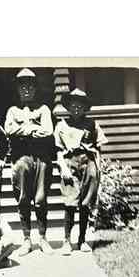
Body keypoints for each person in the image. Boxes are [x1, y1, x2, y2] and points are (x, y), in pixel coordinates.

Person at [4, 68, 55, 256]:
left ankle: (43, 238)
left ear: (35, 89)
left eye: (30, 86)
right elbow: (9, 130)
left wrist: (23, 130)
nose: (26, 90)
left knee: (40, 200)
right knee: (23, 199)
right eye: (22, 87)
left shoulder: (43, 109)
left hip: (41, 159)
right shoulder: (12, 111)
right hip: (21, 159)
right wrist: (33, 128)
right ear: (18, 90)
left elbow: (48, 131)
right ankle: (27, 240)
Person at [54, 88, 108, 253]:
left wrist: (98, 169)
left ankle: (82, 240)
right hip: (70, 164)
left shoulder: (92, 124)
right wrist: (63, 167)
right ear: (68, 107)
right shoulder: (61, 125)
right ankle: (66, 241)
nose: (76, 108)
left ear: (85, 107)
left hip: (88, 163)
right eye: (73, 105)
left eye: (80, 105)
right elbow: (58, 151)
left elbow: (98, 148)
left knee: (85, 204)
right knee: (70, 203)